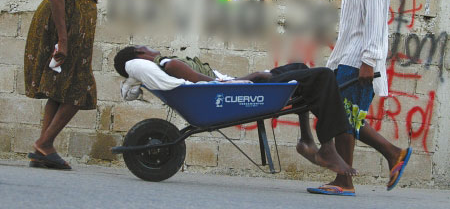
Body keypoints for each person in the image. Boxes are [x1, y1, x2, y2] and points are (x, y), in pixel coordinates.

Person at [113, 45, 360, 176]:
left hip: (238, 88)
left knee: (299, 68)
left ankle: (307, 139)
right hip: (241, 90)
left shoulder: (166, 64)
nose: (150, 45)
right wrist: (251, 77)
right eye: (144, 45)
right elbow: (209, 85)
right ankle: (326, 147)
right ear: (140, 53)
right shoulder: (171, 63)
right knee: (324, 76)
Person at [306, 0, 412, 196]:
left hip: (360, 61)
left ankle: (345, 181)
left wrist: (369, 61)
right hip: (347, 57)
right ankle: (393, 153)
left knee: (345, 121)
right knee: (344, 117)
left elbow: (377, 21)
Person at [24, 0, 108, 170]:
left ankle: (42, 147)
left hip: (73, 29)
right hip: (68, 29)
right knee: (79, 89)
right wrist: (63, 39)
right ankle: (45, 145)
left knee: (60, 89)